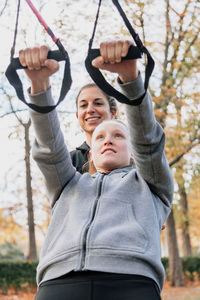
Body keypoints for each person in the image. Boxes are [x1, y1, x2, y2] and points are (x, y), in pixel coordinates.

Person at [19, 40, 173, 299]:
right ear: (91, 152)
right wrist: (39, 85)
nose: (108, 139)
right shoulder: (69, 183)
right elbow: (49, 149)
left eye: (119, 136)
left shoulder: (150, 182)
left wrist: (129, 77)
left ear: (133, 151)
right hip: (58, 283)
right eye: (100, 137)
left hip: (131, 282)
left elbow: (148, 141)